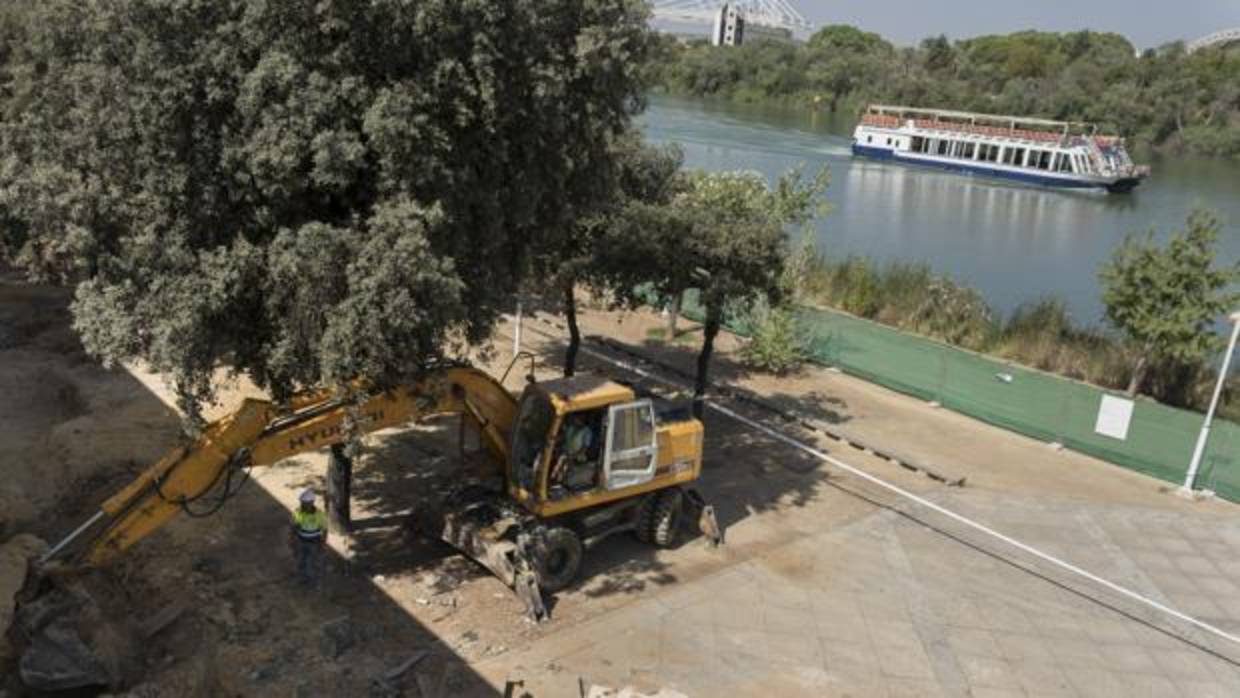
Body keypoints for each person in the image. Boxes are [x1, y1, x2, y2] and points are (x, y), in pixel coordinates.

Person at [291, 488, 328, 587]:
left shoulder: (319, 515)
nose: (302, 505)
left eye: (304, 503)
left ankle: (314, 581)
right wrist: (292, 540)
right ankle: (302, 578)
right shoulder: (298, 512)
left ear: (311, 502)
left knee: (313, 562)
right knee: (301, 560)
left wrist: (323, 543)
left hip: (314, 543)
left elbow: (324, 529)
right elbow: (294, 527)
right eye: (302, 503)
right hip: (301, 541)